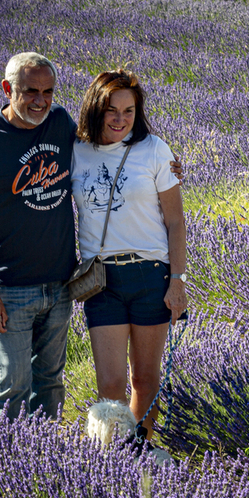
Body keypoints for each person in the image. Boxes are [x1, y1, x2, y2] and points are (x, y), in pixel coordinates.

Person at [0, 52, 77, 420]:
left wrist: (161, 165)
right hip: (10, 288)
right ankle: (3, 459)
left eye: (48, 91)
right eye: (30, 92)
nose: (41, 101)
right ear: (8, 89)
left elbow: (107, 150)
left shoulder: (60, 122)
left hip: (60, 283)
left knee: (51, 381)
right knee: (13, 383)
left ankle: (45, 455)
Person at [72, 69, 187, 441]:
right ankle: (110, 458)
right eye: (111, 110)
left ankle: (141, 450)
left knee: (145, 377)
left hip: (151, 275)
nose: (120, 119)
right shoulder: (76, 151)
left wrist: (177, 281)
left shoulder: (155, 150)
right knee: (110, 382)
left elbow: (175, 222)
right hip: (101, 280)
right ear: (95, 109)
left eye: (129, 111)